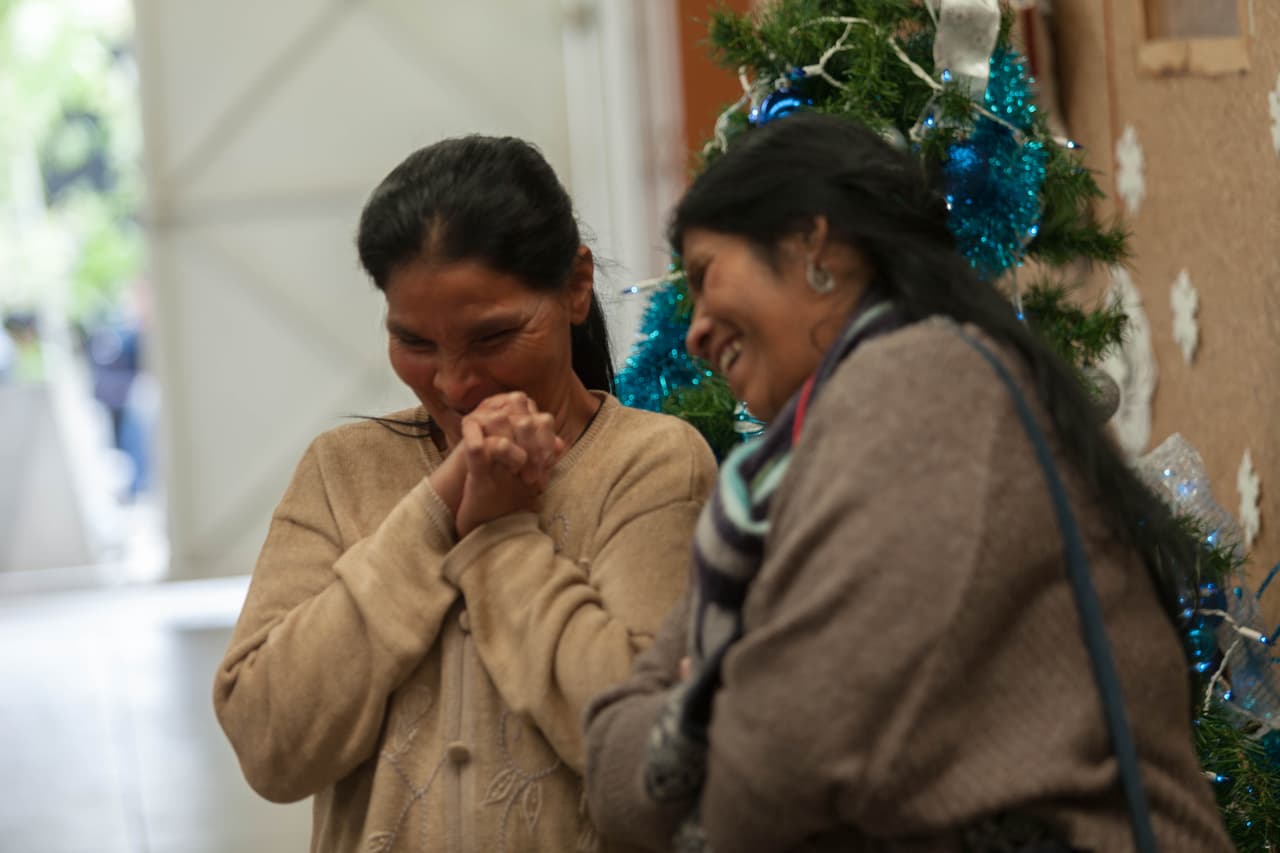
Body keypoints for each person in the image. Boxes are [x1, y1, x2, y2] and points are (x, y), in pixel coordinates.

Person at [583, 113, 1232, 853]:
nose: (695, 331)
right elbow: (607, 769)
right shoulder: (780, 479)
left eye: (704, 276)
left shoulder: (926, 382)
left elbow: (776, 759)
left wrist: (704, 707)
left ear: (812, 244)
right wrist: (730, 704)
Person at [214, 135, 717, 852]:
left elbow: (643, 754)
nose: (452, 383)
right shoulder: (341, 470)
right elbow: (269, 743)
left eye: (492, 337)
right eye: (414, 342)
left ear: (576, 287)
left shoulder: (651, 464)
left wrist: (502, 539)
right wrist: (436, 507)